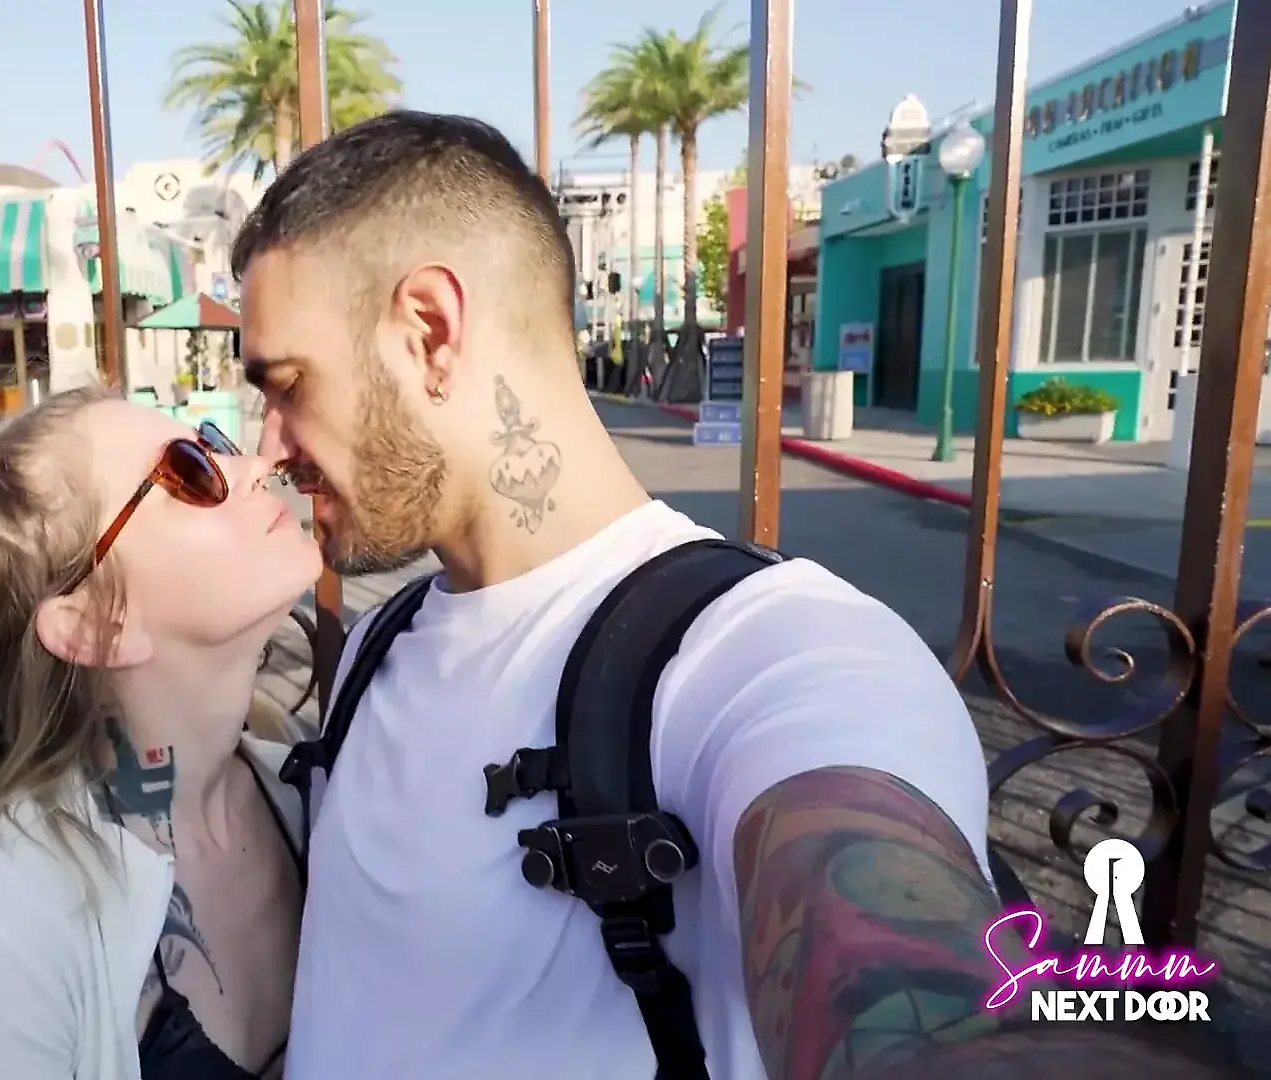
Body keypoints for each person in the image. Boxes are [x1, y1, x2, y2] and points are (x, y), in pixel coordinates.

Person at [235, 110, 1240, 1080]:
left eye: (286, 384)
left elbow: (901, 962)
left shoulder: (764, 651)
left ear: (430, 330)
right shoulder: (378, 642)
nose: (267, 446)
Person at [0, 387, 317, 1080]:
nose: (254, 466)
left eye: (214, 444)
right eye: (189, 471)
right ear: (93, 625)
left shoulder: (321, 798)